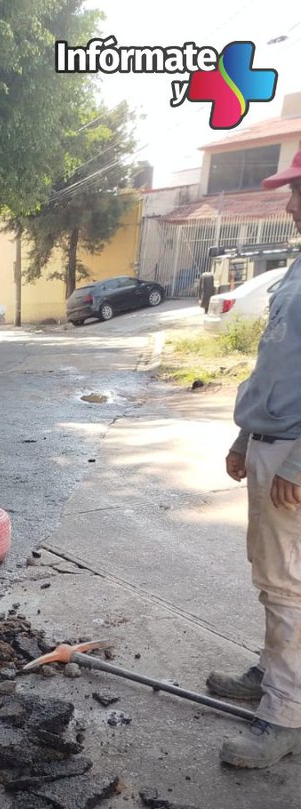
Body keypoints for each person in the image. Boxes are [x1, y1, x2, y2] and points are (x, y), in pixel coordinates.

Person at [209, 149, 301, 768]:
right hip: (272, 442)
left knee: (287, 584)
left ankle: (284, 713)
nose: (289, 204)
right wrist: (246, 436)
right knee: (275, 576)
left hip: (294, 454)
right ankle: (273, 673)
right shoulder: (296, 270)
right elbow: (276, 363)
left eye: (298, 192)